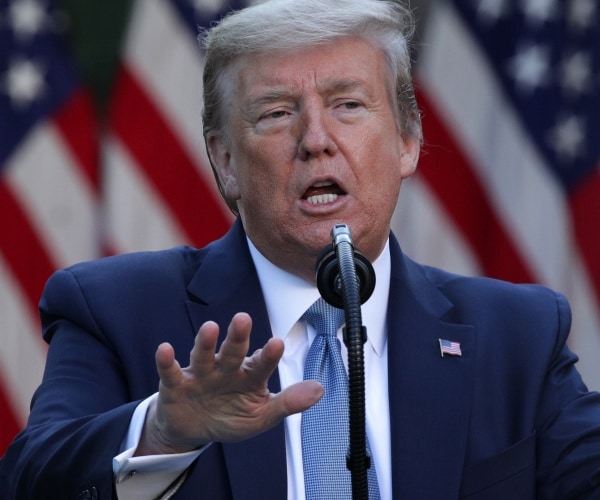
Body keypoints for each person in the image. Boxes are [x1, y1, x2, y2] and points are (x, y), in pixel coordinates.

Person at [1, 0, 600, 498]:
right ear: (225, 161)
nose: (316, 141)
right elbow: (30, 481)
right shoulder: (114, 308)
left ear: (408, 142)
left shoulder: (517, 333)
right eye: (277, 113)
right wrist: (160, 433)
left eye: (348, 105)